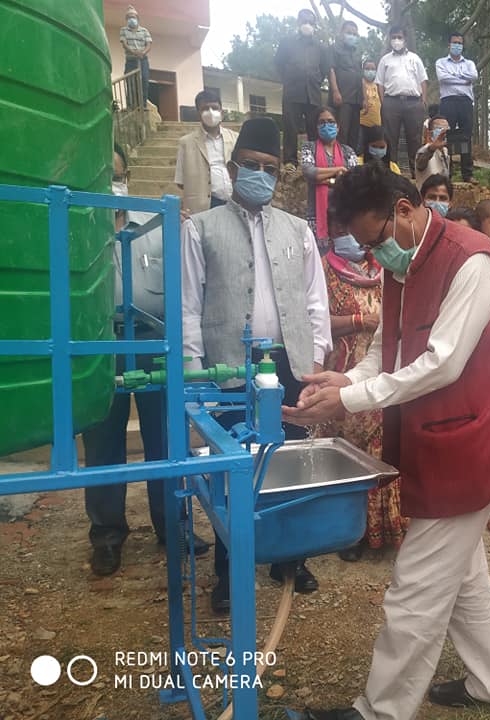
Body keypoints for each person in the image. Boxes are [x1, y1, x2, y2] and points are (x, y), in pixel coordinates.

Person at [283, 162, 490, 720]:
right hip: (436, 440)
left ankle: (380, 711)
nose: (373, 254)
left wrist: (352, 400)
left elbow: (442, 363)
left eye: (374, 239)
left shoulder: (472, 260)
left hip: (470, 446)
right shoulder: (402, 263)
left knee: (415, 590)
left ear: (403, 210)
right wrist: (346, 380)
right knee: (464, 576)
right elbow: (388, 346)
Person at [181, 117, 333, 613]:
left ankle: (290, 558)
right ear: (232, 169)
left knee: (291, 459)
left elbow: (315, 300)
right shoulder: (200, 228)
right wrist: (194, 375)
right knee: (234, 468)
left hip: (289, 364)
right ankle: (229, 570)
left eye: (270, 168)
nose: (261, 176)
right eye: (252, 166)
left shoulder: (297, 230)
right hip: (228, 366)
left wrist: (315, 361)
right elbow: (188, 307)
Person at [82, 147, 210, 576]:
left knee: (165, 438)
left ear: (128, 176)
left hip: (155, 341)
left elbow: (185, 282)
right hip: (100, 346)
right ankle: (106, 535)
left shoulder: (157, 225)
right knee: (102, 441)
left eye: (116, 174)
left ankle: (173, 525)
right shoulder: (79, 229)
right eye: (102, 175)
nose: (111, 184)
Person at [316, 211, 405, 562]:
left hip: (382, 370)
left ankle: (383, 526)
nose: (351, 238)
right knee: (347, 450)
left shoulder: (383, 269)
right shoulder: (323, 269)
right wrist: (359, 321)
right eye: (341, 229)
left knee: (381, 450)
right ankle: (349, 530)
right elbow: (313, 320)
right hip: (342, 369)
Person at [275, 9, 330, 166]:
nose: (307, 24)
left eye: (311, 22)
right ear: (298, 22)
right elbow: (279, 64)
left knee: (314, 129)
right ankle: (290, 162)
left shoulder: (320, 47)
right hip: (292, 92)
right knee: (290, 128)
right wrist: (289, 79)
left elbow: (324, 68)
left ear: (315, 25)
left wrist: (316, 81)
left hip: (313, 93)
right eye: (304, 21)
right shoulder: (287, 42)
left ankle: (314, 161)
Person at [301, 107, 359, 245]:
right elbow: (309, 172)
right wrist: (339, 170)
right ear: (316, 127)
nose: (326, 125)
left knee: (343, 253)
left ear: (338, 127)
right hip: (316, 214)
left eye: (330, 121)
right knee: (320, 254)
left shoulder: (348, 151)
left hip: (343, 212)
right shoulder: (309, 148)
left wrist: (325, 180)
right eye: (321, 122)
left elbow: (353, 180)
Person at [376, 26, 428, 177]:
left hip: (413, 102)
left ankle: (416, 174)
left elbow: (423, 80)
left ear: (405, 39)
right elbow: (380, 83)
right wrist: (383, 102)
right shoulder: (385, 60)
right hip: (391, 102)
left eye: (399, 37)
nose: (396, 40)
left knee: (415, 139)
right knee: (390, 139)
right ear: (390, 39)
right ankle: (390, 173)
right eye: (394, 37)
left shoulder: (415, 58)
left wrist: (423, 100)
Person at [175, 91, 238, 214]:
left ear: (222, 112)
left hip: (234, 201)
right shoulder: (186, 143)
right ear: (198, 114)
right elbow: (181, 182)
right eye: (205, 109)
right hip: (203, 206)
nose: (211, 112)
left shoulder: (235, 138)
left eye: (214, 108)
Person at [436, 33, 477, 183]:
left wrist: (453, 76)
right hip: (448, 101)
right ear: (449, 45)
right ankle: (447, 172)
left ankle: (468, 174)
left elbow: (473, 76)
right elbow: (443, 78)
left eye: (460, 43)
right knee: (446, 136)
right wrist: (463, 78)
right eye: (455, 42)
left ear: (463, 46)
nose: (457, 45)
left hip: (465, 102)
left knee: (466, 137)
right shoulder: (441, 62)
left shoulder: (469, 64)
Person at [329, 21, 364, 150]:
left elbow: (360, 76)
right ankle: (339, 160)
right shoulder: (334, 49)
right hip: (342, 97)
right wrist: (335, 91)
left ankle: (351, 160)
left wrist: (364, 98)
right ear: (341, 33)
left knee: (354, 134)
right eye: (349, 33)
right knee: (342, 132)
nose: (352, 36)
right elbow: (331, 70)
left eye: (354, 34)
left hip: (356, 100)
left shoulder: (357, 53)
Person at [119, 5, 151, 107]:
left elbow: (149, 44)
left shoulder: (144, 31)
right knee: (130, 82)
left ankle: (143, 105)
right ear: (126, 19)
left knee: (144, 80)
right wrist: (134, 52)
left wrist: (143, 52)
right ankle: (131, 106)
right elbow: (124, 44)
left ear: (137, 18)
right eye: (128, 18)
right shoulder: (124, 30)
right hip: (131, 60)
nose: (131, 19)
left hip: (143, 59)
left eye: (133, 17)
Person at [415, 116, 451, 189]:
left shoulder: (445, 151)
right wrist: (431, 149)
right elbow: (420, 164)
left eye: (447, 129)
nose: (444, 132)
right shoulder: (424, 150)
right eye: (440, 128)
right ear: (430, 133)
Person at [359, 60, 382, 151]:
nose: (370, 71)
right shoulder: (360, 83)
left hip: (376, 125)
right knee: (360, 148)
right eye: (367, 69)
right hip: (361, 123)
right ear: (363, 70)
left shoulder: (378, 85)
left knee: (373, 150)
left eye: (373, 69)